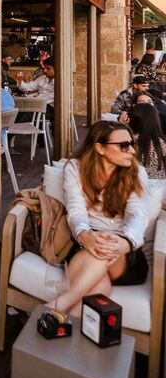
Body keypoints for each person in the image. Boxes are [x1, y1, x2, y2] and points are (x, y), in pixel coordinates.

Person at [53, 121, 147, 317]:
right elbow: (76, 209)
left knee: (104, 249)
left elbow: (137, 214)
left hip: (124, 248)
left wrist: (125, 242)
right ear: (100, 148)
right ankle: (61, 322)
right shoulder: (75, 168)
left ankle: (57, 305)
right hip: (88, 240)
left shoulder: (137, 173)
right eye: (124, 145)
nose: (131, 151)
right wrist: (84, 234)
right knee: (99, 287)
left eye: (132, 144)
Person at [129, 104, 166, 179]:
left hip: (138, 182)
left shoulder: (129, 140)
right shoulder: (161, 142)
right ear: (156, 120)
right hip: (159, 183)